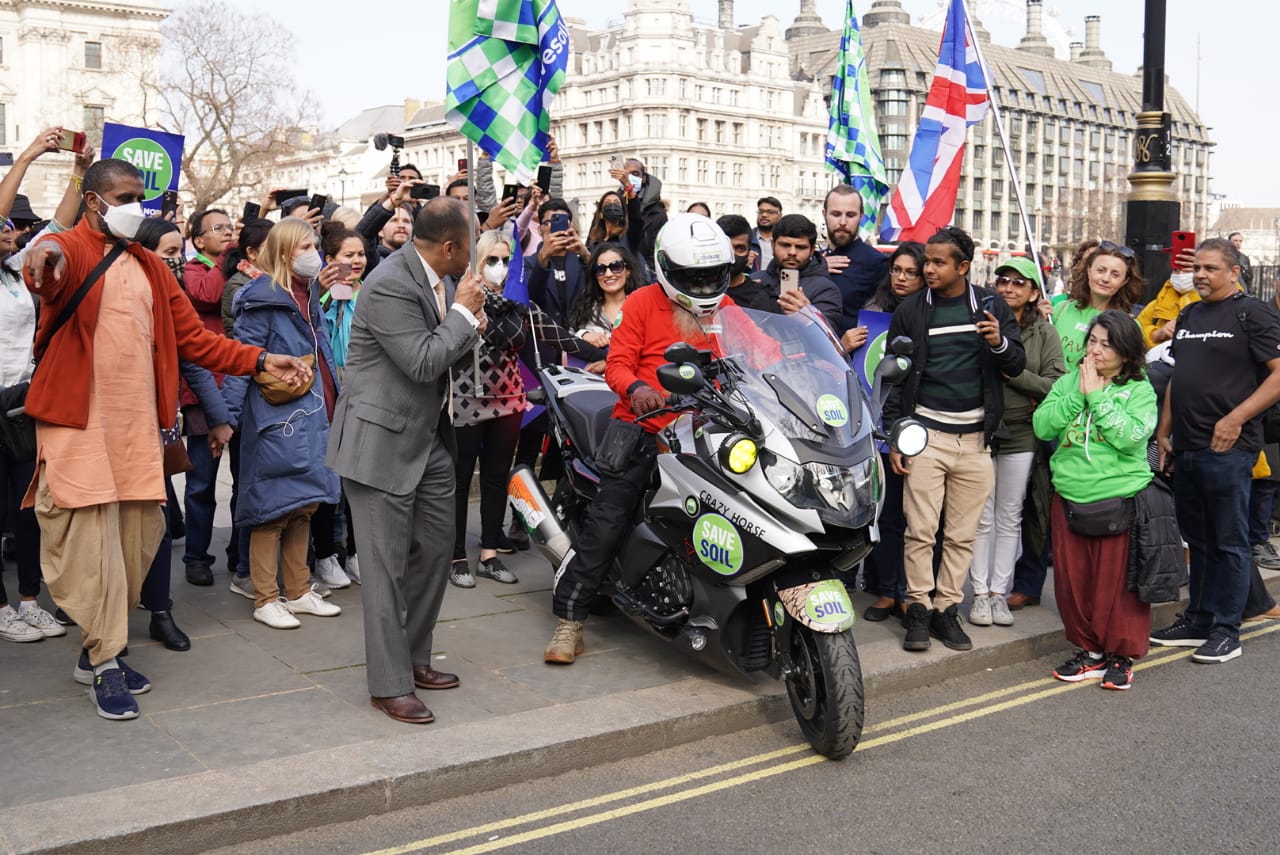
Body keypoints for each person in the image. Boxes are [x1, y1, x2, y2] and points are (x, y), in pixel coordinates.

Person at [22, 158, 311, 719]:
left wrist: (259, 358)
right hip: (77, 428)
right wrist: (44, 256)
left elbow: (197, 342)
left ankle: (95, 651)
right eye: (126, 196)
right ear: (94, 201)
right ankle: (106, 662)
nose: (138, 207)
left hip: (137, 433)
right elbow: (46, 271)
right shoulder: (71, 248)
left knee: (135, 545)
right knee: (90, 549)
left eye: (142, 197)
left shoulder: (152, 268)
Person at [544, 214, 737, 664]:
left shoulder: (727, 308)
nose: (704, 284)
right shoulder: (643, 303)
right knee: (607, 523)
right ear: (669, 269)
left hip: (710, 430)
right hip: (645, 428)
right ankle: (570, 622)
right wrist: (637, 389)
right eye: (694, 277)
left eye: (711, 276)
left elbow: (761, 351)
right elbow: (617, 364)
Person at [326, 197, 485, 725]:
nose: (478, 252)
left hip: (427, 437)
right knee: (386, 570)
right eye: (472, 242)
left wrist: (467, 321)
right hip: (380, 443)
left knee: (438, 551)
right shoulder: (392, 282)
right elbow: (421, 361)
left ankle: (416, 657)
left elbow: (445, 351)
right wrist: (463, 314)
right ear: (450, 247)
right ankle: (388, 684)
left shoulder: (439, 277)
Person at [883, 227, 1025, 653]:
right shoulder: (910, 310)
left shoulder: (989, 304)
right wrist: (896, 438)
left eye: (938, 262)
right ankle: (919, 612)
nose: (928, 268)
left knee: (962, 534)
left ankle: (948, 610)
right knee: (921, 531)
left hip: (977, 440)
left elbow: (1015, 364)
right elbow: (893, 376)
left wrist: (999, 341)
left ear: (963, 266)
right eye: (926, 260)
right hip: (926, 436)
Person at [1151, 238, 1280, 664]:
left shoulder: (1253, 313)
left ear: (1234, 272)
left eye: (1210, 268)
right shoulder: (1189, 313)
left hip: (1229, 446)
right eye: (1198, 269)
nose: (1201, 275)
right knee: (1200, 539)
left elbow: (1278, 376)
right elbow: (1179, 375)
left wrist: (1236, 418)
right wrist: (1164, 431)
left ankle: (1228, 629)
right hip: (1186, 445)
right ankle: (1200, 619)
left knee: (1229, 541)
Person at [221, 217, 344, 629]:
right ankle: (265, 596)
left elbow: (323, 350)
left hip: (315, 413)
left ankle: (297, 589)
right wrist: (227, 418)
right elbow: (242, 359)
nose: (315, 254)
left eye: (315, 245)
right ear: (283, 252)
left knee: (304, 506)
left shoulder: (307, 296)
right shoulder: (263, 298)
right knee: (272, 510)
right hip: (279, 419)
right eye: (305, 247)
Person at [1034, 310, 1157, 690]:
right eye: (1093, 341)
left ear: (1127, 350)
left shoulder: (1140, 389)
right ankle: (1090, 653)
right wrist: (1077, 396)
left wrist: (1098, 397)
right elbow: (1042, 425)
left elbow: (1130, 437)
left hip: (1119, 497)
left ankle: (1120, 656)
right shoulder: (1071, 381)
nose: (1098, 350)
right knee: (1074, 583)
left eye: (1108, 344)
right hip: (1070, 495)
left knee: (1118, 586)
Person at [968, 258, 1065, 628]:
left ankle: (998, 594)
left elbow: (1054, 384)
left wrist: (1014, 373)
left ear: (1033, 292)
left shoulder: (1044, 333)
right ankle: (978, 594)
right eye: (1003, 281)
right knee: (981, 517)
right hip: (981, 429)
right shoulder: (980, 320)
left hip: (1022, 433)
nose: (1008, 288)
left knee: (1009, 515)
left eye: (1018, 283)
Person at [849, 242, 927, 620]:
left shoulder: (928, 315)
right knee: (882, 511)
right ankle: (884, 590)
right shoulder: (875, 310)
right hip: (874, 424)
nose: (901, 278)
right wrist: (845, 344)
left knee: (915, 516)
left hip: (917, 426)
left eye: (911, 272)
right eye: (897, 270)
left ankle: (908, 591)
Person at [450, 231, 530, 587]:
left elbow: (547, 333)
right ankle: (455, 556)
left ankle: (490, 554)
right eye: (491, 260)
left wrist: (601, 348)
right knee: (460, 478)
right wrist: (470, 309)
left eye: (505, 260)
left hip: (509, 399)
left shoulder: (516, 302)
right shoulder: (462, 298)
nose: (499, 267)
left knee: (498, 477)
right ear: (478, 262)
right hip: (467, 400)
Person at [180, 207, 237, 587]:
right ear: (198, 240)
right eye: (218, 229)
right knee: (202, 482)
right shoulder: (193, 270)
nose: (227, 233)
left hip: (239, 382)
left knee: (245, 478)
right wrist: (225, 261)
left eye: (230, 227)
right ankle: (196, 555)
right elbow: (209, 295)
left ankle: (240, 552)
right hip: (204, 390)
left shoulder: (239, 268)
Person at [1052, 240, 1143, 367]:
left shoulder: (1129, 326)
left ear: (1124, 281)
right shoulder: (1060, 310)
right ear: (1089, 270)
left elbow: (1134, 374)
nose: (1105, 279)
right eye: (1100, 270)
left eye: (1115, 274)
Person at [750, 214, 843, 331]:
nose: (792, 252)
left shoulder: (827, 290)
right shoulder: (755, 281)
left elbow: (829, 336)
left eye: (800, 247)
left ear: (812, 250)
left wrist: (809, 315)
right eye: (785, 245)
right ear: (773, 246)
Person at [821, 185, 889, 334]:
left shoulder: (877, 263)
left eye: (850, 215)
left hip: (851, 354)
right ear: (824, 214)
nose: (843, 222)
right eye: (836, 214)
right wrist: (816, 267)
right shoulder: (812, 260)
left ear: (861, 216)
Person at [567, 242, 646, 351]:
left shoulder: (643, 306)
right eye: (600, 269)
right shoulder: (586, 308)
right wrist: (582, 335)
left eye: (615, 266)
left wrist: (606, 361)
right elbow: (567, 340)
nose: (608, 274)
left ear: (627, 271)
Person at [1136, 248, 1199, 349]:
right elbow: (1134, 336)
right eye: (1176, 270)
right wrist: (1157, 334)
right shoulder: (1156, 305)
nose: (1180, 275)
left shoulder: (1215, 301)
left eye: (1187, 270)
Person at [749, 196, 781, 272]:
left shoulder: (785, 241)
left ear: (780, 215)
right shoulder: (746, 239)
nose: (764, 215)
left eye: (770, 212)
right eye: (761, 211)